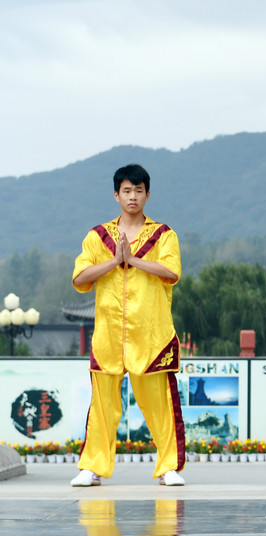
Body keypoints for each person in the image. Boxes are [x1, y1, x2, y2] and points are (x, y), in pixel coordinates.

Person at [70, 164, 186, 487]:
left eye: (138, 190)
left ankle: (169, 467)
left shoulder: (164, 235)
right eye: (126, 190)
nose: (132, 196)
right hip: (108, 336)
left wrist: (133, 260)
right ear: (116, 195)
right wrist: (114, 261)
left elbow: (172, 272)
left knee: (160, 403)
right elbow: (79, 278)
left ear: (147, 194)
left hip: (151, 335)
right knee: (103, 406)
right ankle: (92, 467)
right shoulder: (98, 237)